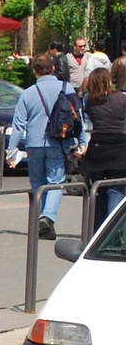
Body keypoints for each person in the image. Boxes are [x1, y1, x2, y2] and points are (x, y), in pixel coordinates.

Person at [9, 53, 78, 240]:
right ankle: (47, 218)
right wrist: (82, 141)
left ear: (35, 71)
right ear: (53, 68)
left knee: (38, 182)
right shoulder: (66, 87)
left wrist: (11, 150)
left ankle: (41, 221)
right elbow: (77, 115)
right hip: (58, 142)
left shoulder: (28, 93)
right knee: (56, 182)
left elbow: (18, 124)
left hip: (34, 143)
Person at [80, 59, 126, 232]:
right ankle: (113, 231)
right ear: (109, 81)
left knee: (98, 190)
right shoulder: (121, 99)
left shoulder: (90, 103)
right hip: (119, 148)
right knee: (116, 189)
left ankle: (97, 230)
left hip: (98, 148)